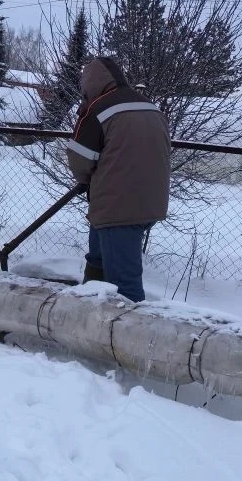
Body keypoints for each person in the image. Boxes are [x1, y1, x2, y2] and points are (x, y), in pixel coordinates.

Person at [67, 56, 170, 302]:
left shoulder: (98, 109)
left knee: (124, 286)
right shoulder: (149, 106)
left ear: (90, 83)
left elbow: (80, 163)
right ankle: (87, 309)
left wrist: (91, 177)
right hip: (152, 201)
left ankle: (129, 324)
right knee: (98, 257)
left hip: (118, 206)